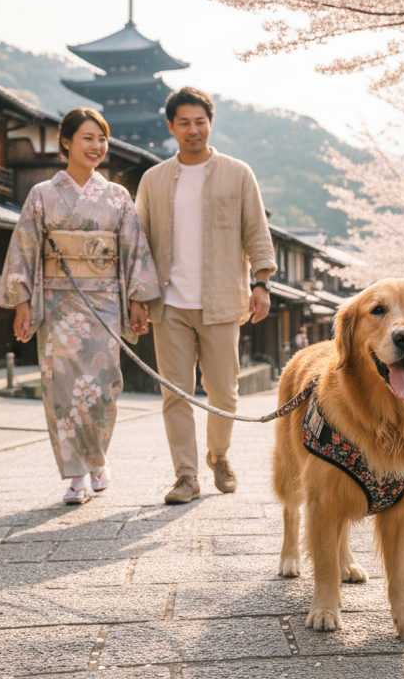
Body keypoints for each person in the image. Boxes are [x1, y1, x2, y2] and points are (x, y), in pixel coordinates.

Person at [0, 108, 160, 505]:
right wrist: (22, 304)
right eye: (87, 138)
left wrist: (138, 301)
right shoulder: (42, 195)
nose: (97, 146)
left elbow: (135, 251)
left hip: (103, 303)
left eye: (101, 139)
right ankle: (75, 476)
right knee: (63, 390)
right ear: (66, 142)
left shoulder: (118, 196)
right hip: (57, 304)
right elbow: (24, 251)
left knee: (104, 388)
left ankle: (97, 459)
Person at [136, 87, 276, 504]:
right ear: (170, 127)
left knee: (224, 392)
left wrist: (262, 283)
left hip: (221, 300)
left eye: (200, 121)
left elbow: (256, 231)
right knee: (175, 393)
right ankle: (186, 476)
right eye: (184, 122)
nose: (192, 130)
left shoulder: (237, 172)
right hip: (170, 303)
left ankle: (219, 455)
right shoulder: (153, 179)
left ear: (210, 124)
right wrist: (137, 296)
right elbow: (138, 241)